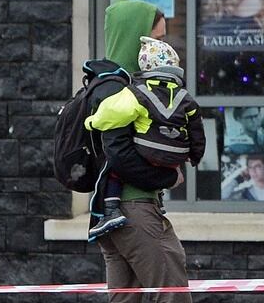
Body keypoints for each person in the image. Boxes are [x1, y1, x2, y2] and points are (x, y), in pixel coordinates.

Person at [7, 0, 221, 303]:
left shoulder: (112, 88)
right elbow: (118, 157)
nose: (159, 47)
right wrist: (168, 173)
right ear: (134, 38)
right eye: (156, 37)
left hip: (113, 217)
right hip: (135, 212)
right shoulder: (121, 93)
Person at [86, 36, 205, 240]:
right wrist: (195, 156)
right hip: (176, 155)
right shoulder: (186, 98)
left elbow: (114, 112)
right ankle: (159, 200)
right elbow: (197, 130)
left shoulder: (136, 93)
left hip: (148, 150)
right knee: (162, 164)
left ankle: (111, 209)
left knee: (115, 169)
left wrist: (91, 122)